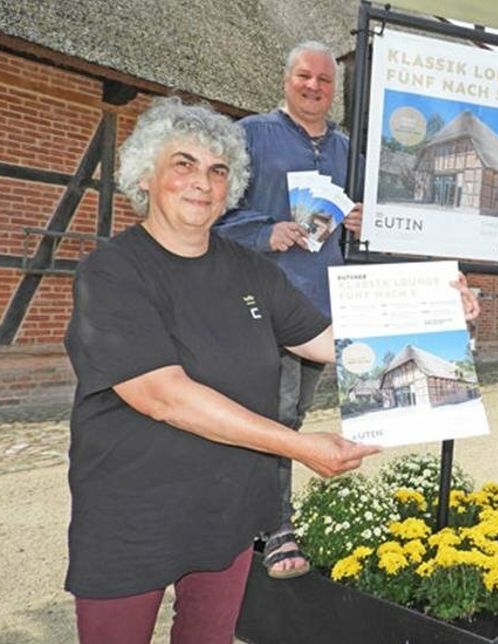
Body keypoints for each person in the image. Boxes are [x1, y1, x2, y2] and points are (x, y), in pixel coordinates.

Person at [63, 97, 381, 643]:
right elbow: (164, 395)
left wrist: (441, 317)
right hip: (131, 513)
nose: (202, 182)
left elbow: (328, 339)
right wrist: (299, 446)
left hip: (229, 509)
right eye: (182, 163)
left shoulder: (251, 269)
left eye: (217, 170)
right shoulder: (110, 271)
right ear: (147, 174)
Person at [212, 40, 363, 578]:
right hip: (265, 307)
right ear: (286, 80)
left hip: (323, 310)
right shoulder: (251, 135)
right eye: (305, 76)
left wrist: (360, 226)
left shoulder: (350, 150)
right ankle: (277, 530)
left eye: (324, 80)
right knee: (276, 417)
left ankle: (252, 513)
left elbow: (362, 230)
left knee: (291, 417)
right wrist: (265, 230)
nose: (314, 87)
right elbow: (215, 214)